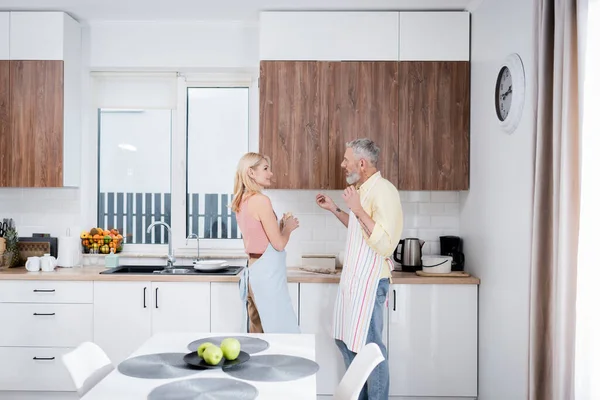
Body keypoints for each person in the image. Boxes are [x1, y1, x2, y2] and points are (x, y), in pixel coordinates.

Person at [316, 139, 403, 400]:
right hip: (355, 281)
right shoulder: (361, 190)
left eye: (346, 159)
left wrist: (357, 209)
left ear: (361, 163)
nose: (343, 164)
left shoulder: (384, 191)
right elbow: (358, 228)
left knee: (370, 350)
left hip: (372, 282)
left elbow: (385, 243)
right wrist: (336, 210)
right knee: (345, 341)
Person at [231, 152, 300, 334]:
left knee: (259, 332)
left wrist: (281, 226)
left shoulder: (241, 201)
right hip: (267, 275)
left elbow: (260, 237)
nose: (270, 173)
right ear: (251, 172)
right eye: (265, 168)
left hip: (254, 271)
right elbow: (278, 244)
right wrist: (288, 228)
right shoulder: (261, 201)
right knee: (281, 333)